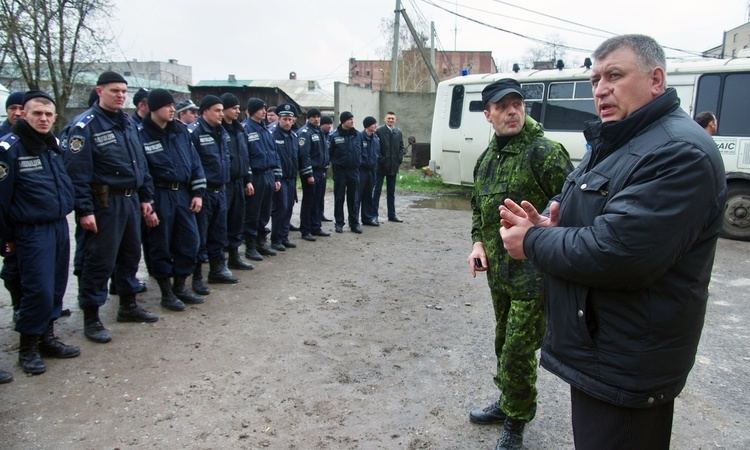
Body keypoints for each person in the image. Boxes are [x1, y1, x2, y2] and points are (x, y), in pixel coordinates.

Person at [499, 35, 726, 450]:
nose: (600, 89)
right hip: (603, 349)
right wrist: (550, 216)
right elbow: (578, 197)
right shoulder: (619, 139)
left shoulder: (678, 152)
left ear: (656, 79)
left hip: (627, 362)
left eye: (615, 76)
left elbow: (618, 253)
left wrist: (531, 241)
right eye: (595, 79)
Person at [466, 78, 572, 450]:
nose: (512, 111)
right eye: (503, 106)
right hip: (500, 275)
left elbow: (571, 208)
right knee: (502, 341)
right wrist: (477, 242)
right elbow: (478, 209)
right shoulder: (486, 159)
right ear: (488, 114)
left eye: (517, 104)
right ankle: (507, 401)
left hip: (534, 277)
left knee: (517, 349)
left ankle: (516, 419)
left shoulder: (544, 152)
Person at [64, 71, 159, 344]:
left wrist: (146, 198)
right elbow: (77, 173)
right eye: (114, 90)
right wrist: (84, 210)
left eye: (123, 91)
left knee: (130, 253)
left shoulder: (128, 123)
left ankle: (128, 306)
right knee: (98, 259)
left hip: (130, 199)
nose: (120, 95)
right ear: (99, 91)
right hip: (103, 203)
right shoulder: (84, 127)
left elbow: (140, 164)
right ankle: (91, 318)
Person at [0, 91, 80, 374]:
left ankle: (48, 337)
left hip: (57, 225)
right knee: (38, 290)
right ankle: (28, 348)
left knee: (57, 286)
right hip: (30, 231)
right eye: (37, 113)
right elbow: (1, 199)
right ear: (23, 114)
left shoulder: (52, 144)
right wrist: (6, 239)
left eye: (48, 114)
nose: (43, 119)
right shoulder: (9, 148)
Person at [139, 89, 207, 311]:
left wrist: (197, 192)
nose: (172, 110)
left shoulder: (180, 132)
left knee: (190, 242)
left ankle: (180, 287)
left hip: (183, 195)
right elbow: (142, 171)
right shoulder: (140, 134)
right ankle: (166, 293)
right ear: (154, 108)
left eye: (173, 106)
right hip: (159, 195)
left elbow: (195, 162)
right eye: (167, 106)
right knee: (160, 245)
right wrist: (148, 202)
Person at [188, 95, 238, 285]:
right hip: (204, 192)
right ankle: (197, 277)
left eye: (221, 110)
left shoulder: (222, 131)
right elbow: (192, 165)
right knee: (200, 236)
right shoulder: (193, 132)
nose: (220, 114)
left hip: (221, 189)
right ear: (205, 111)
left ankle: (217, 270)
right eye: (217, 110)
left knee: (219, 233)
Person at [242, 98, 281, 261]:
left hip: (268, 175)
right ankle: (250, 247)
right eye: (260, 109)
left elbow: (274, 153)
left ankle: (261, 242)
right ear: (251, 111)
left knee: (265, 211)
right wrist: (248, 179)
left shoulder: (265, 129)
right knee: (253, 212)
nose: (264, 112)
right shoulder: (245, 129)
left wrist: (277, 176)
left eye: (265, 109)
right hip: (256, 176)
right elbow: (245, 157)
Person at [220, 93, 255, 271]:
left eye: (238, 108)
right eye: (233, 108)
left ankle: (234, 257)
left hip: (239, 182)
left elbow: (245, 156)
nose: (237, 111)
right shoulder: (218, 130)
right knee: (221, 223)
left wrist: (248, 179)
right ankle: (219, 263)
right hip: (223, 184)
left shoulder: (239, 130)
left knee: (237, 220)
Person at [270, 104, 312, 251]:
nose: (287, 122)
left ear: (293, 121)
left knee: (288, 208)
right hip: (280, 179)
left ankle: (284, 237)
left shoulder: (294, 136)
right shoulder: (273, 135)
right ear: (279, 119)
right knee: (279, 209)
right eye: (284, 119)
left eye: (290, 119)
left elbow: (299, 157)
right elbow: (272, 158)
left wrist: (306, 173)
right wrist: (275, 178)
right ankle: (275, 240)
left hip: (291, 178)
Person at [0, 91, 24, 324]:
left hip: (26, 213)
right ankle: (18, 306)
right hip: (8, 216)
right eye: (12, 108)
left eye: (20, 108)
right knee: (12, 266)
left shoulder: (34, 138)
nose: (16, 113)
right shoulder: (3, 140)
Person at [297, 108, 330, 240]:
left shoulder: (319, 131)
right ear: (308, 118)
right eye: (313, 117)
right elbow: (304, 155)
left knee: (318, 201)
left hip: (321, 171)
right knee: (309, 201)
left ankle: (316, 227)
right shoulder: (305, 133)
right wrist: (308, 174)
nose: (316, 119)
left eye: (318, 117)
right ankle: (305, 230)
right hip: (311, 172)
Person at [329, 111, 362, 234]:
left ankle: (354, 223)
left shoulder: (358, 135)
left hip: (354, 171)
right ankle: (339, 223)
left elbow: (361, 151)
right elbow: (330, 153)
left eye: (352, 119)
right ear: (343, 121)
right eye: (349, 119)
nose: (352, 121)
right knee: (339, 198)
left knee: (353, 198)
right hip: (340, 172)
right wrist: (337, 164)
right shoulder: (334, 136)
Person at [374, 111, 405, 223]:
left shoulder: (398, 132)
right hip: (381, 167)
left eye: (392, 118)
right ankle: (374, 216)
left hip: (393, 167)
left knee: (391, 193)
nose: (391, 120)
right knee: (377, 191)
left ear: (395, 120)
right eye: (389, 118)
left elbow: (401, 147)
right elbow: (376, 148)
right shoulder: (379, 131)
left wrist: (399, 159)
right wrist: (381, 160)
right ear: (385, 119)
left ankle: (392, 215)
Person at [360, 116, 381, 226]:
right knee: (357, 196)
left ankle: (367, 218)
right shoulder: (359, 137)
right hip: (361, 171)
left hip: (372, 171)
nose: (375, 126)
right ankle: (354, 221)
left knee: (368, 195)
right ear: (368, 125)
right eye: (373, 124)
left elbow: (377, 153)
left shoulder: (376, 138)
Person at [319, 115, 334, 222]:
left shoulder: (329, 136)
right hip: (317, 169)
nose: (329, 126)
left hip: (325, 167)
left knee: (321, 194)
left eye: (330, 124)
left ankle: (320, 214)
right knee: (315, 195)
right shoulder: (318, 135)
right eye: (327, 124)